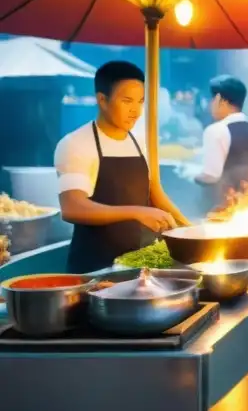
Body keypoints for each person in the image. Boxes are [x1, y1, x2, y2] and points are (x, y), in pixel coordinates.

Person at [55, 61, 189, 273]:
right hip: (92, 271)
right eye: (127, 101)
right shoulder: (75, 144)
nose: (135, 111)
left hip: (136, 267)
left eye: (140, 101)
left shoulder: (140, 142)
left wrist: (190, 230)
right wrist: (137, 212)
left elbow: (155, 193)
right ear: (102, 100)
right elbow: (73, 207)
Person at [194, 75, 248, 210]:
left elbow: (211, 176)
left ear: (219, 99)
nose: (210, 104)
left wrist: (193, 176)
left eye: (212, 99)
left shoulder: (215, 131)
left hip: (219, 211)